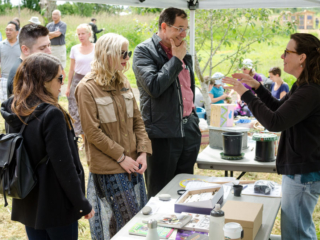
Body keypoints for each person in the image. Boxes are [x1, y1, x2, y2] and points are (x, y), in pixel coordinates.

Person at [223, 33, 320, 240]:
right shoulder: (303, 86)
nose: (283, 56)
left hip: (303, 173)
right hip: (301, 170)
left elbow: (275, 122)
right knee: (296, 230)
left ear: (302, 57)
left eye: (287, 52)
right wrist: (258, 88)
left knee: (297, 234)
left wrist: (246, 94)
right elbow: (279, 110)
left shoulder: (310, 90)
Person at [0, 53, 94, 239]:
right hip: (55, 203)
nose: (62, 83)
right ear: (44, 81)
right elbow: (64, 166)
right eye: (59, 78)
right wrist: (82, 203)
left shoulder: (14, 107)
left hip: (27, 197)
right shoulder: (52, 114)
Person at [75, 33, 152, 239]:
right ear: (107, 54)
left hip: (133, 163)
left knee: (129, 221)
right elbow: (92, 132)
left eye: (129, 53)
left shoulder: (123, 81)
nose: (127, 57)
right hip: (110, 167)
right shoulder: (86, 87)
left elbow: (137, 119)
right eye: (123, 53)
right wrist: (121, 157)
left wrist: (143, 152)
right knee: (127, 221)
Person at [132, 7, 201, 199]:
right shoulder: (144, 51)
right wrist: (176, 59)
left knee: (186, 190)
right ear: (164, 26)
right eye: (179, 28)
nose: (184, 34)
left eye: (186, 29)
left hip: (188, 130)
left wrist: (193, 120)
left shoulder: (181, 49)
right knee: (160, 194)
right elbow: (154, 87)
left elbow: (188, 88)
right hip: (162, 134)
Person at [66, 24, 94, 145]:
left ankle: (92, 137)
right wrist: (68, 87)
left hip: (92, 80)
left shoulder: (96, 47)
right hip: (77, 80)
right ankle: (83, 139)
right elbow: (71, 69)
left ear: (89, 34)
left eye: (83, 33)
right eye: (78, 34)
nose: (80, 36)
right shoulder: (74, 48)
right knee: (75, 110)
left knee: (91, 109)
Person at [7, 23, 51, 97]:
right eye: (42, 48)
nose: (49, 51)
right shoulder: (20, 77)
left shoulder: (32, 68)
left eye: (49, 45)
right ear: (25, 50)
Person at [0, 21, 20, 102]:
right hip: (4, 79)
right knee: (5, 103)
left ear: (17, 32)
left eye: (11, 30)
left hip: (19, 79)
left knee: (18, 102)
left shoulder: (22, 45)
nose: (8, 32)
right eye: (7, 30)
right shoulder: (1, 45)